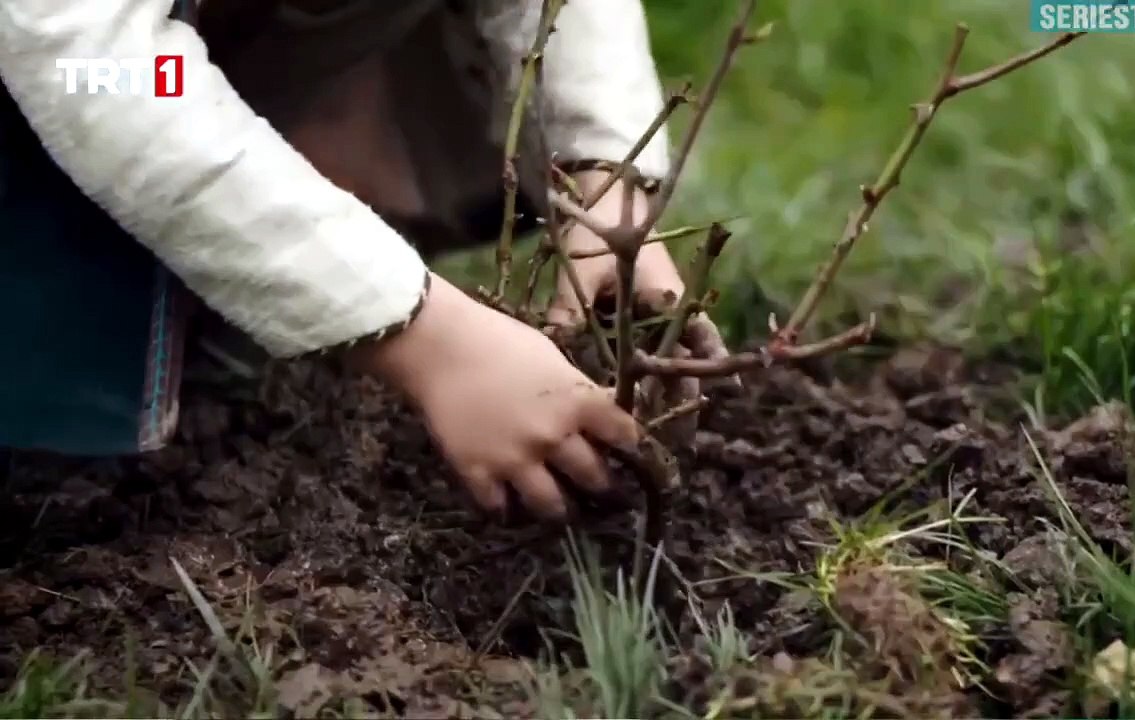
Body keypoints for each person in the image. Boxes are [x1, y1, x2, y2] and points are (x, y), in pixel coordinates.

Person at [0, 0, 727, 523]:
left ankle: (241, 241)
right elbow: (86, 63)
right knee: (119, 89)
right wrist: (428, 340)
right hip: (79, 64)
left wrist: (602, 182)